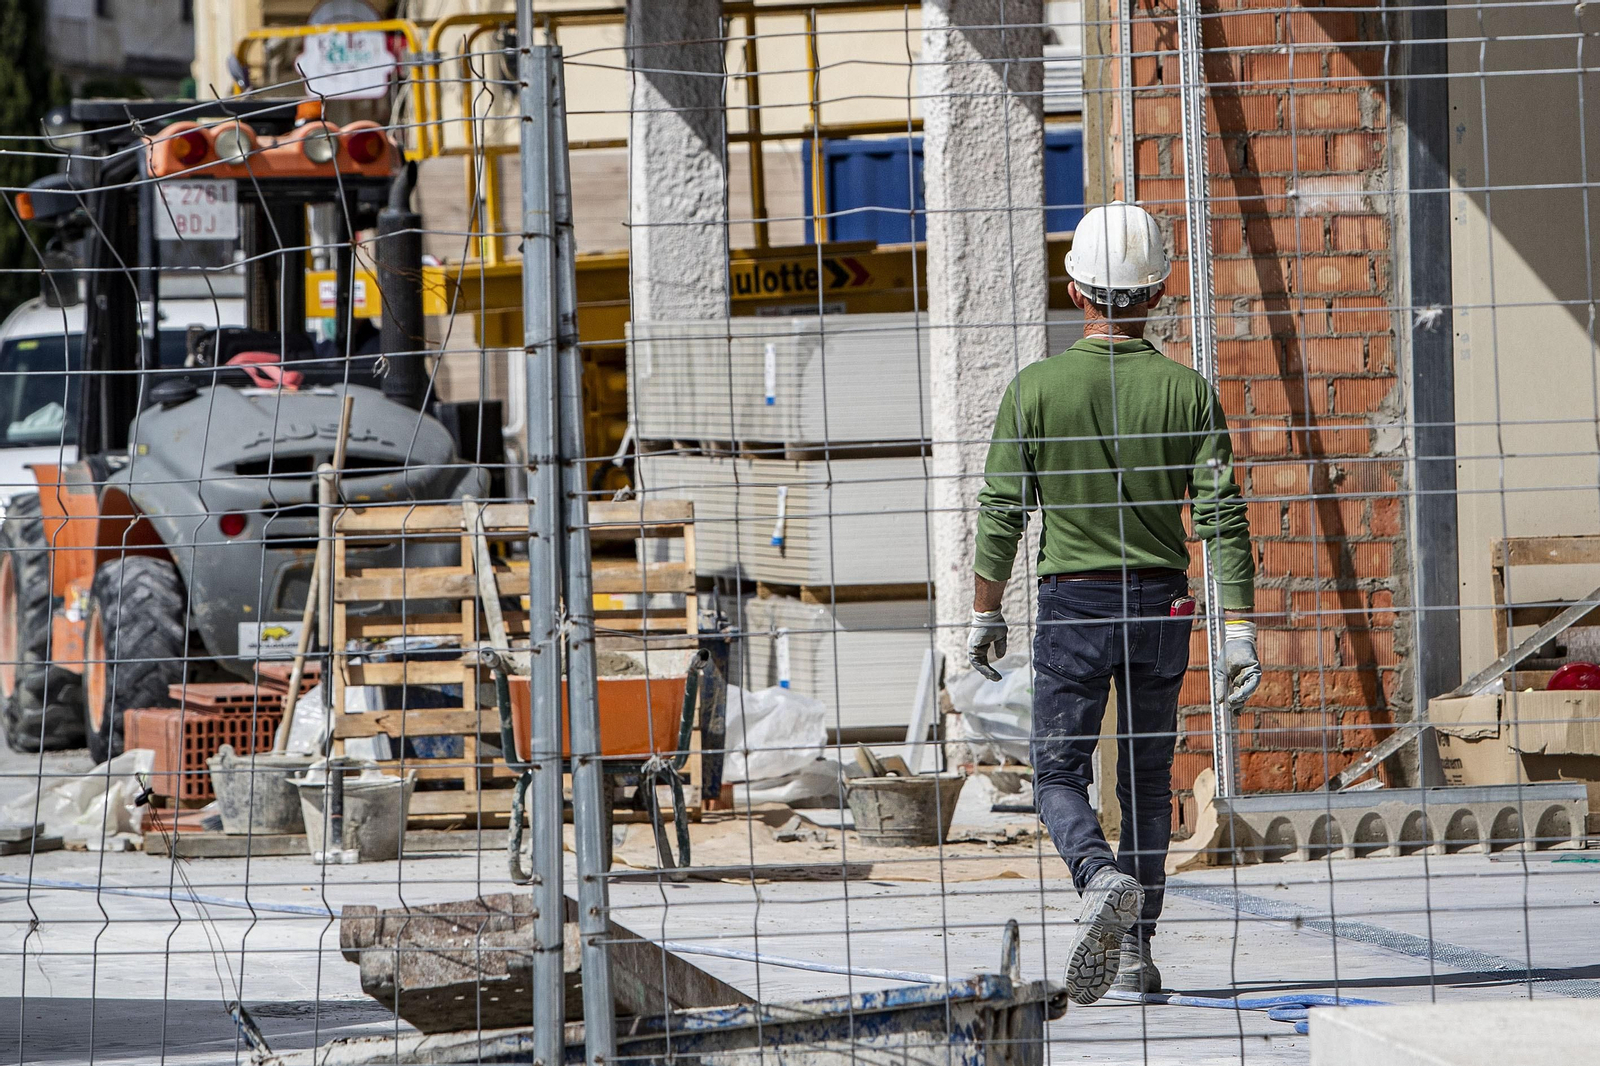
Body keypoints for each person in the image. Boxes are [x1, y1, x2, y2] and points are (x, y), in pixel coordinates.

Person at [965, 201, 1259, 1005]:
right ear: (1159, 294)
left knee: (1058, 769)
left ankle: (1096, 876)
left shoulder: (1036, 391)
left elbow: (1001, 510)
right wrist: (1238, 631)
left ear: (1074, 292)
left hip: (1074, 603)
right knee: (1148, 780)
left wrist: (985, 610)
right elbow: (1222, 515)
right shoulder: (1187, 393)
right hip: (1162, 604)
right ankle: (1137, 954)